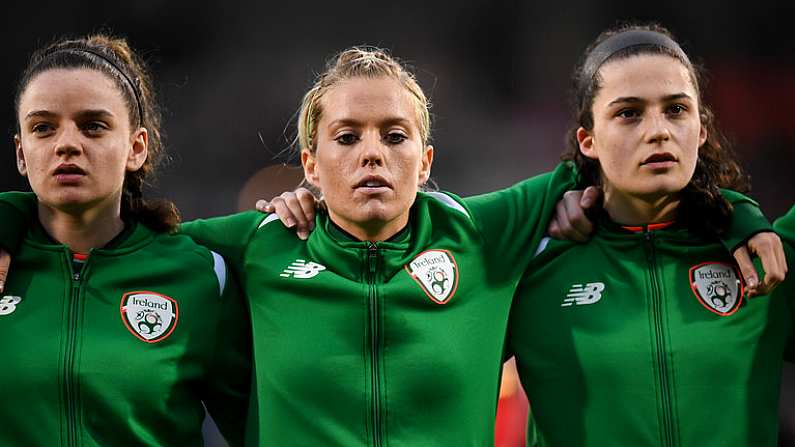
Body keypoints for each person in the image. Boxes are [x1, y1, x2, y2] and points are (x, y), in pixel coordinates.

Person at [0, 45, 782, 445]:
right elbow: (111, 230)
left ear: (427, 159)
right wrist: (7, 216)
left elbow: (625, 161)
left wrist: (735, 214)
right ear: (310, 162)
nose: (370, 152)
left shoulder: (485, 232)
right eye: (346, 136)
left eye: (393, 134)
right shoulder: (246, 246)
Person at [507, 24, 790, 446]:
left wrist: (738, 212)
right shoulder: (529, 274)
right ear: (588, 140)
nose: (658, 130)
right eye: (629, 113)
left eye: (677, 109)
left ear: (702, 129)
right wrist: (558, 191)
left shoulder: (765, 260)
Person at [0, 35, 251, 446]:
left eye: (93, 126)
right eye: (43, 128)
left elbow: (266, 428)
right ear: (21, 153)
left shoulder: (201, 275)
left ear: (136, 147)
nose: (66, 144)